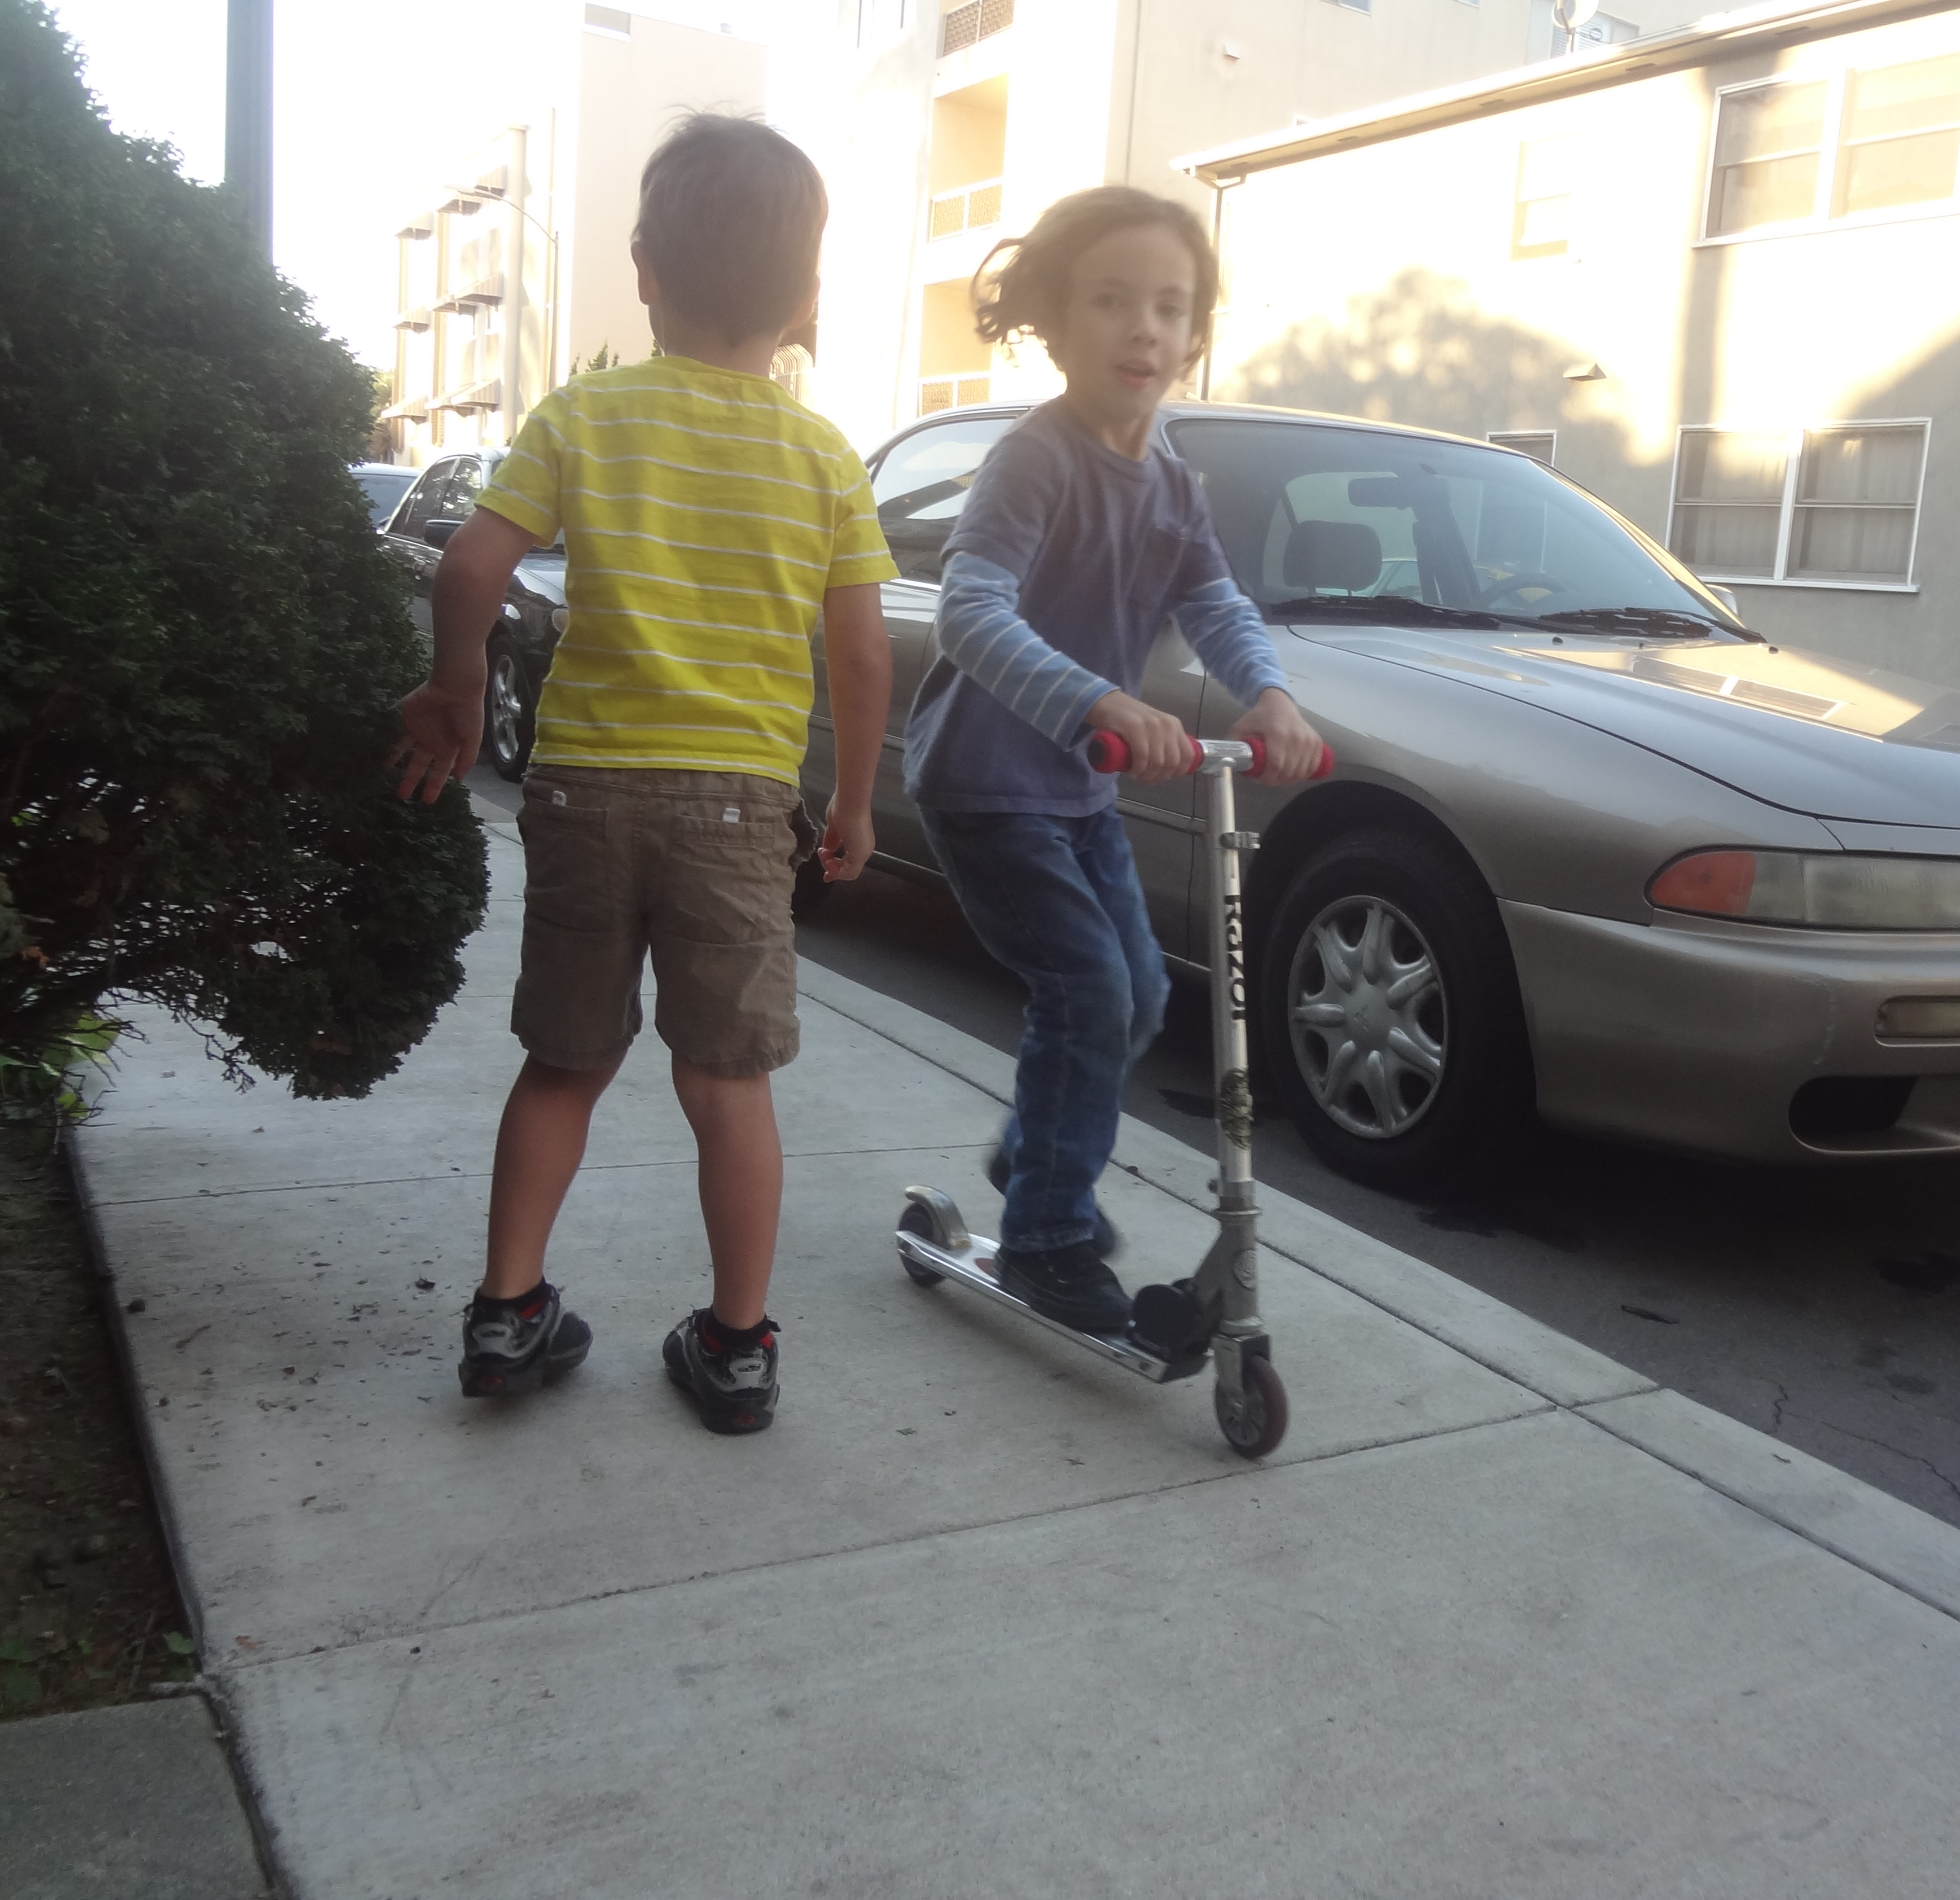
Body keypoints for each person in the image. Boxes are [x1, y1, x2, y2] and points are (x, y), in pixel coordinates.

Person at [392, 115, 895, 1435]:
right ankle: (735, 1345)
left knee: (564, 1061)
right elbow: (860, 653)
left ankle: (508, 1314)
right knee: (727, 1082)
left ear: (645, 272)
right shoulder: (824, 458)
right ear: (806, 297)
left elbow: (470, 567)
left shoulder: (583, 415)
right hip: (737, 807)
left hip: (584, 794)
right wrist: (851, 803)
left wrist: (456, 692)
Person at [904, 185, 1324, 1333]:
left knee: (1137, 996)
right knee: (1088, 990)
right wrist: (1102, 699)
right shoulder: (1034, 462)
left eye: (1170, 308)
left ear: (1193, 335)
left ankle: (1033, 1157)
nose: (1144, 328)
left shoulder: (1174, 484)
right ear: (1053, 319)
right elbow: (969, 613)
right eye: (1111, 301)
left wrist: (1272, 694)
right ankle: (1046, 1235)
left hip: (1077, 790)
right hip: (989, 787)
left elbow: (1216, 603)